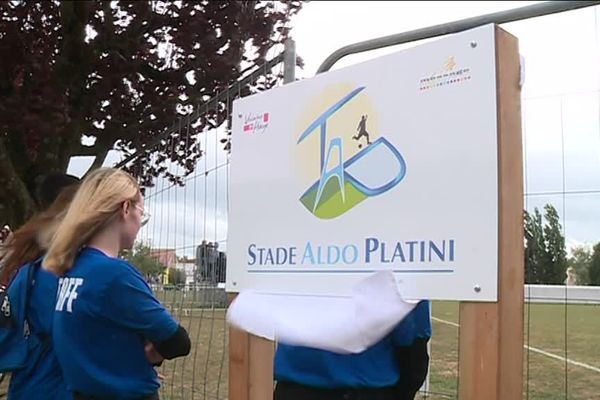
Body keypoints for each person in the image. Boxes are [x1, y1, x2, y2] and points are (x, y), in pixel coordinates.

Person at [43, 167, 191, 400]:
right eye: (141, 211)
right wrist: (153, 354)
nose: (142, 221)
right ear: (125, 209)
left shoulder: (73, 268)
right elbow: (178, 342)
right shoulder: (115, 274)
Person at [0, 175, 80, 400]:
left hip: (32, 382)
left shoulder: (29, 257)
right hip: (50, 387)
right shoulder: (50, 269)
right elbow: (64, 331)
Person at [273, 300, 431, 400]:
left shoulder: (292, 255)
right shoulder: (399, 261)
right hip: (363, 390)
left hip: (296, 388)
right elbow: (413, 351)